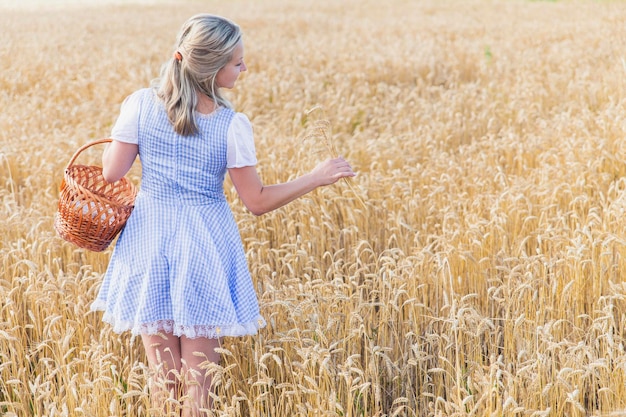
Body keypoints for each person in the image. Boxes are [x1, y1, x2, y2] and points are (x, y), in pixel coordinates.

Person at [90, 13, 355, 416]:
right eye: (237, 62)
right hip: (203, 248)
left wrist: (127, 128)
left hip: (147, 243)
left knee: (164, 381)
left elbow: (111, 171)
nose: (244, 68)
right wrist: (315, 177)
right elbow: (258, 201)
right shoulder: (231, 125)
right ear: (211, 68)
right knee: (200, 389)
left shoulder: (140, 104)